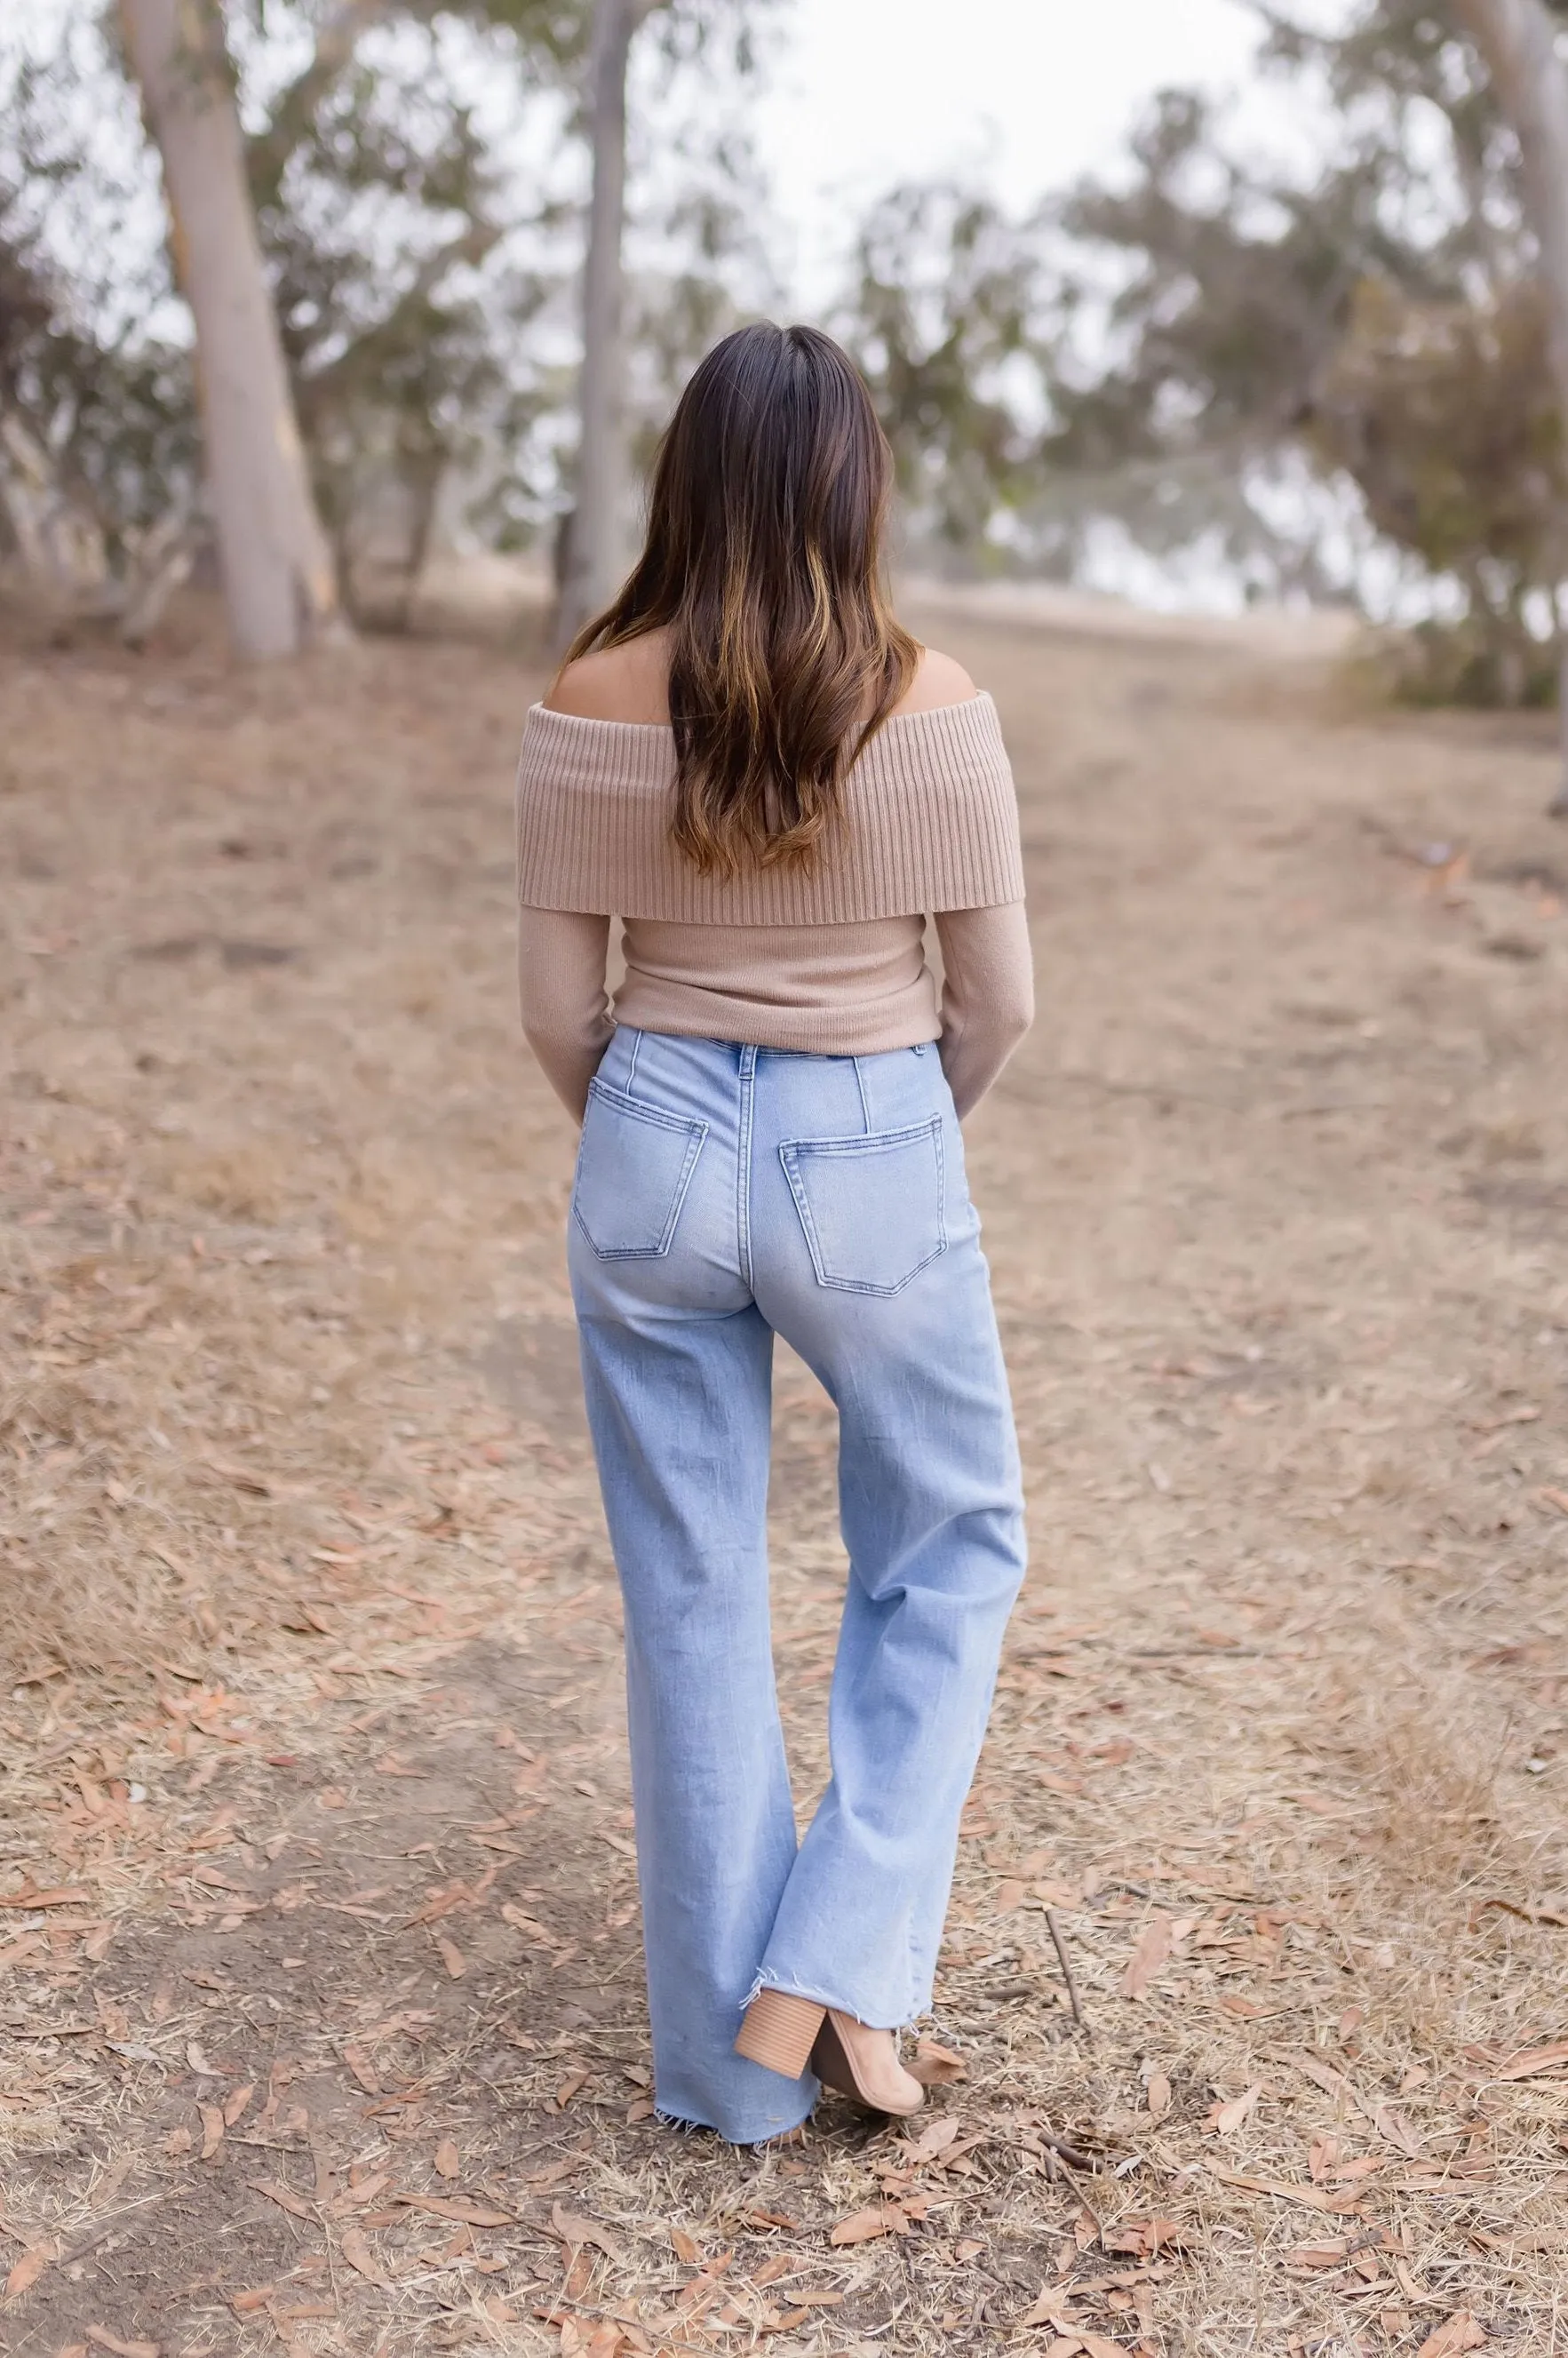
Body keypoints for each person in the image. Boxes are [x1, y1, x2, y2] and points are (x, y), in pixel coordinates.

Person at [514, 322, 1032, 2146]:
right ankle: (834, 1971)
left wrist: (664, 1149)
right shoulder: (934, 703)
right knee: (955, 1542)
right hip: (872, 1124)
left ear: (689, 483)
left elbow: (555, 1009)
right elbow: (998, 1004)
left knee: (689, 1592)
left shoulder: (587, 699)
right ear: (852, 489)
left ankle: (733, 2078)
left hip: (646, 1123)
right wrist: (876, 1158)